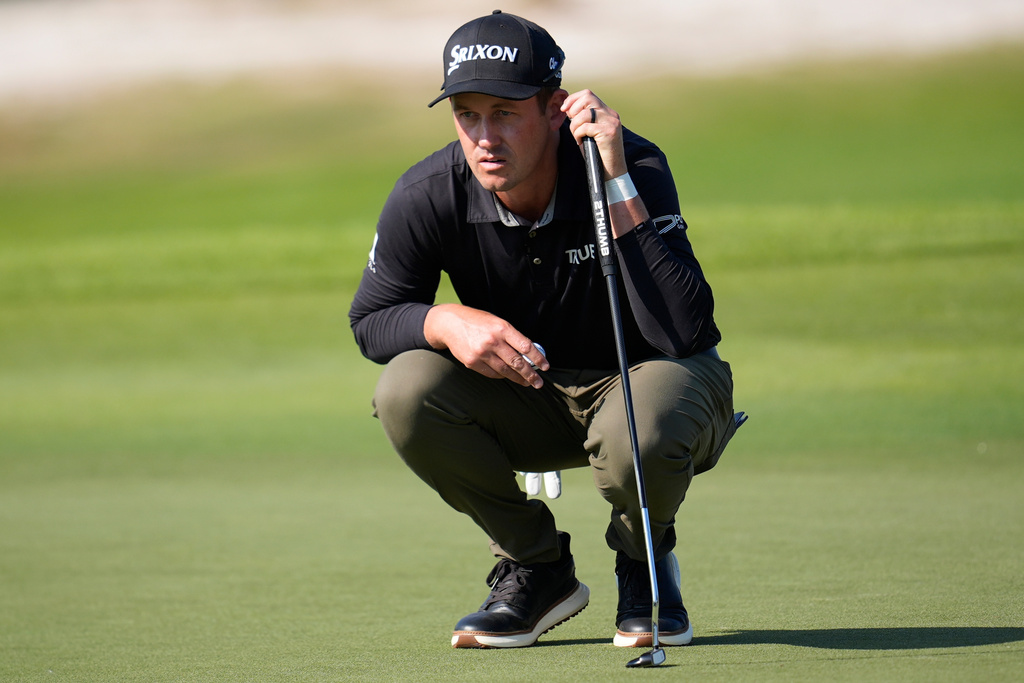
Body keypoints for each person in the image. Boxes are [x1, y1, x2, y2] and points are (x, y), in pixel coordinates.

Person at [349, 10, 739, 650]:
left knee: (642, 429)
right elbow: (371, 320)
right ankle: (536, 567)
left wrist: (614, 180)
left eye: (505, 113)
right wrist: (443, 319)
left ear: (556, 108)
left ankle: (643, 560)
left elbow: (684, 330)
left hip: (652, 386)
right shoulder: (429, 192)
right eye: (467, 115)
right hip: (529, 396)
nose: (485, 138)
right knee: (404, 390)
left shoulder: (629, 164)